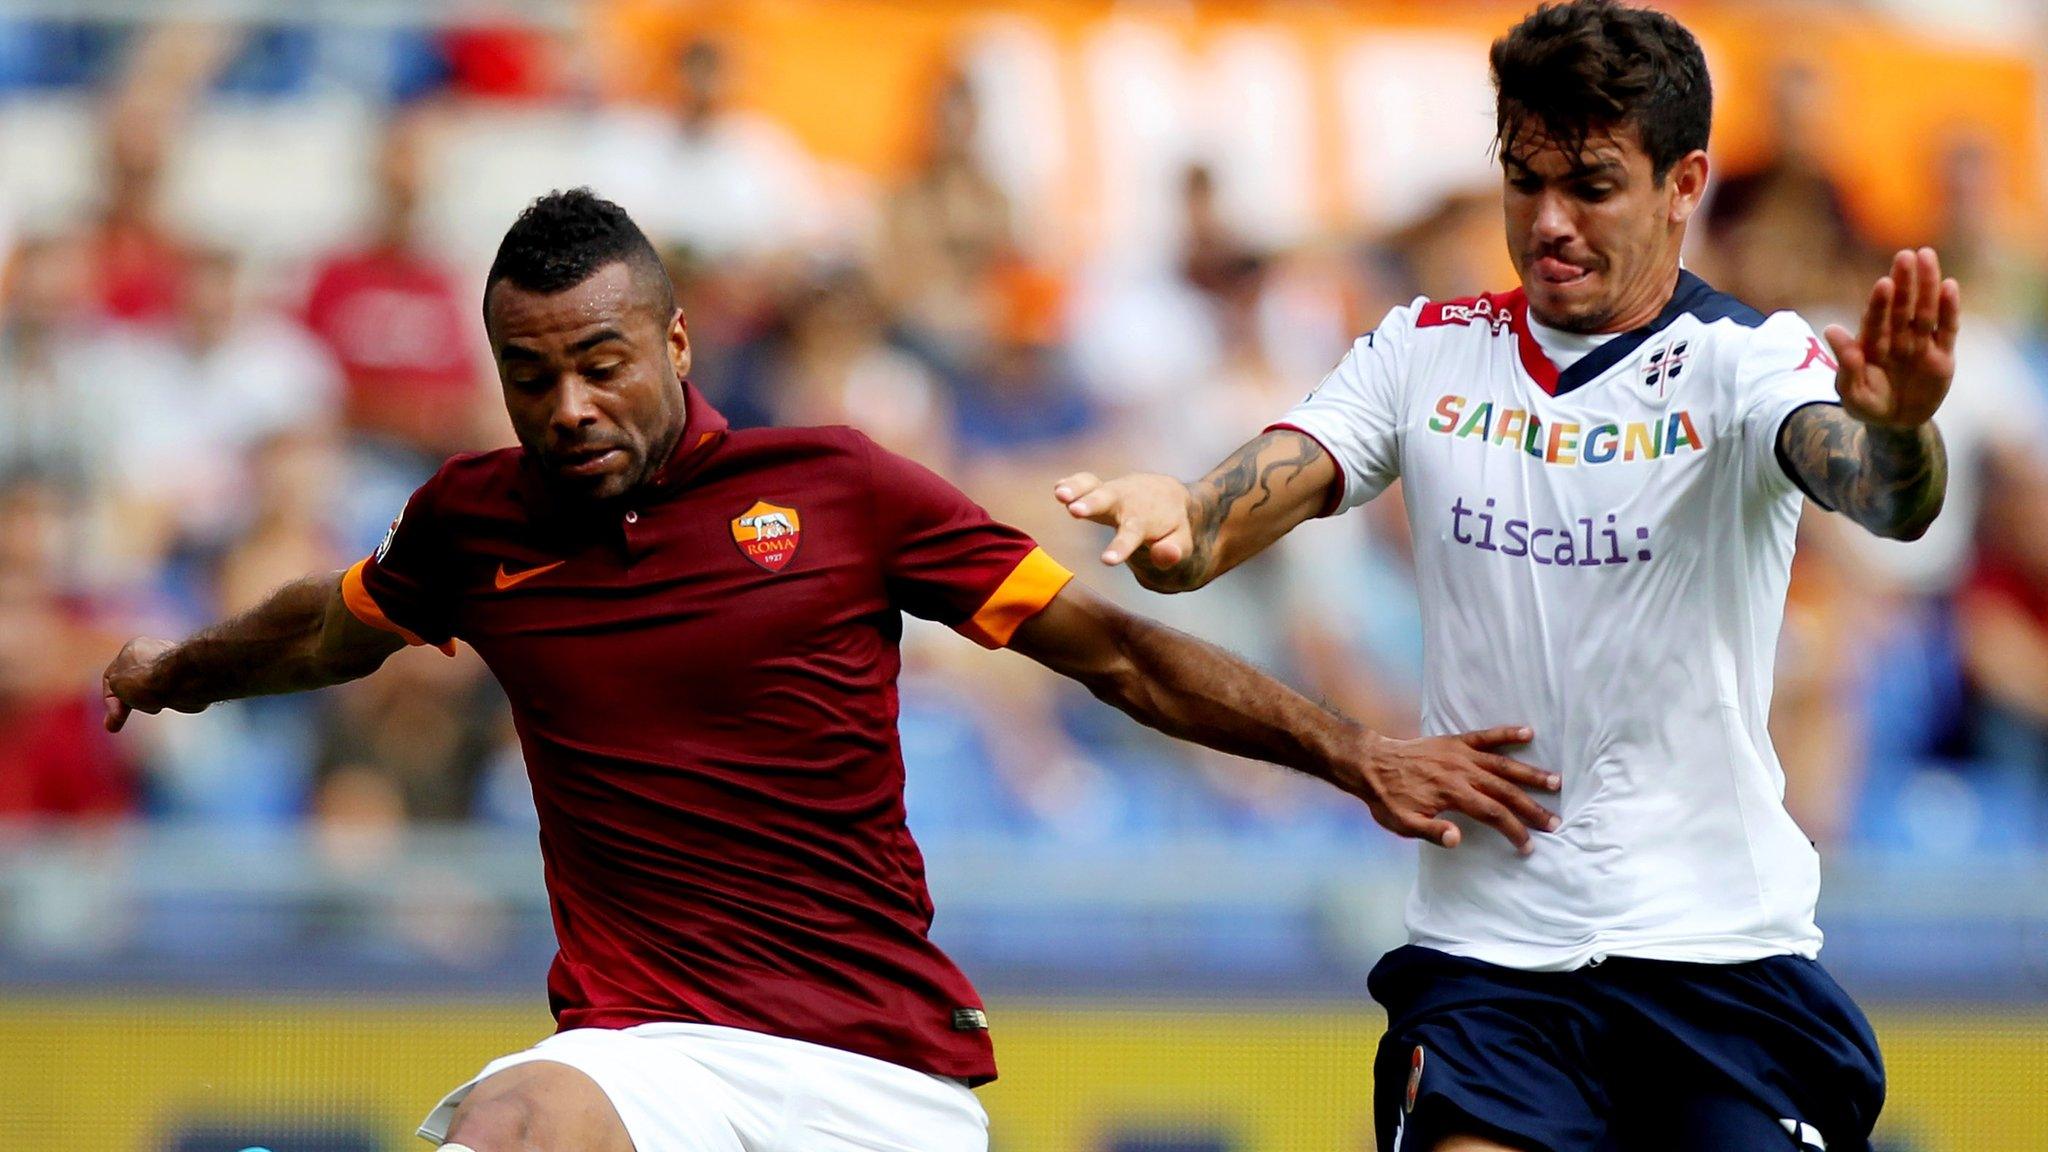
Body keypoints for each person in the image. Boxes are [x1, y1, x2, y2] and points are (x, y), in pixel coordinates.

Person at [100, 189, 1559, 1152]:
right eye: (529, 376)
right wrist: (176, 668)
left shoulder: (845, 489)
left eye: (602, 362)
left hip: (881, 1078)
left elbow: (1116, 657)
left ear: (676, 339)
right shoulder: (471, 524)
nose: (568, 405)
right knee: (513, 1128)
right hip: (649, 1052)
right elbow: (322, 628)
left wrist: (1356, 753)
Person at [1054, 3, 1956, 1149]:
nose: (1546, 222)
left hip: (1715, 952)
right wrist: (1177, 512)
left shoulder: (1744, 361)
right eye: (1521, 180)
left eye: (1588, 185)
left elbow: (1881, 496)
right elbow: (1215, 529)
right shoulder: (1420, 350)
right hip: (1491, 968)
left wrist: (1899, 433)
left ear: (1683, 184)